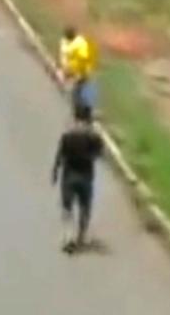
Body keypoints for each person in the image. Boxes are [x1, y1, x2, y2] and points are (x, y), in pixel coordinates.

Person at [52, 104, 104, 254]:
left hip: (69, 176)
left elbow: (60, 156)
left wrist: (55, 172)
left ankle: (68, 237)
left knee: (67, 207)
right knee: (85, 207)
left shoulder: (68, 135)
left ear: (75, 117)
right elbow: (99, 154)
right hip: (86, 177)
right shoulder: (92, 137)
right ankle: (81, 235)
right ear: (88, 119)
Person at [60, 26, 97, 114]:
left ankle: (85, 111)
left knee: (80, 90)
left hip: (83, 70)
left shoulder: (79, 44)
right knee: (78, 92)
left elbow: (83, 59)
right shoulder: (67, 44)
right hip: (79, 70)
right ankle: (83, 111)